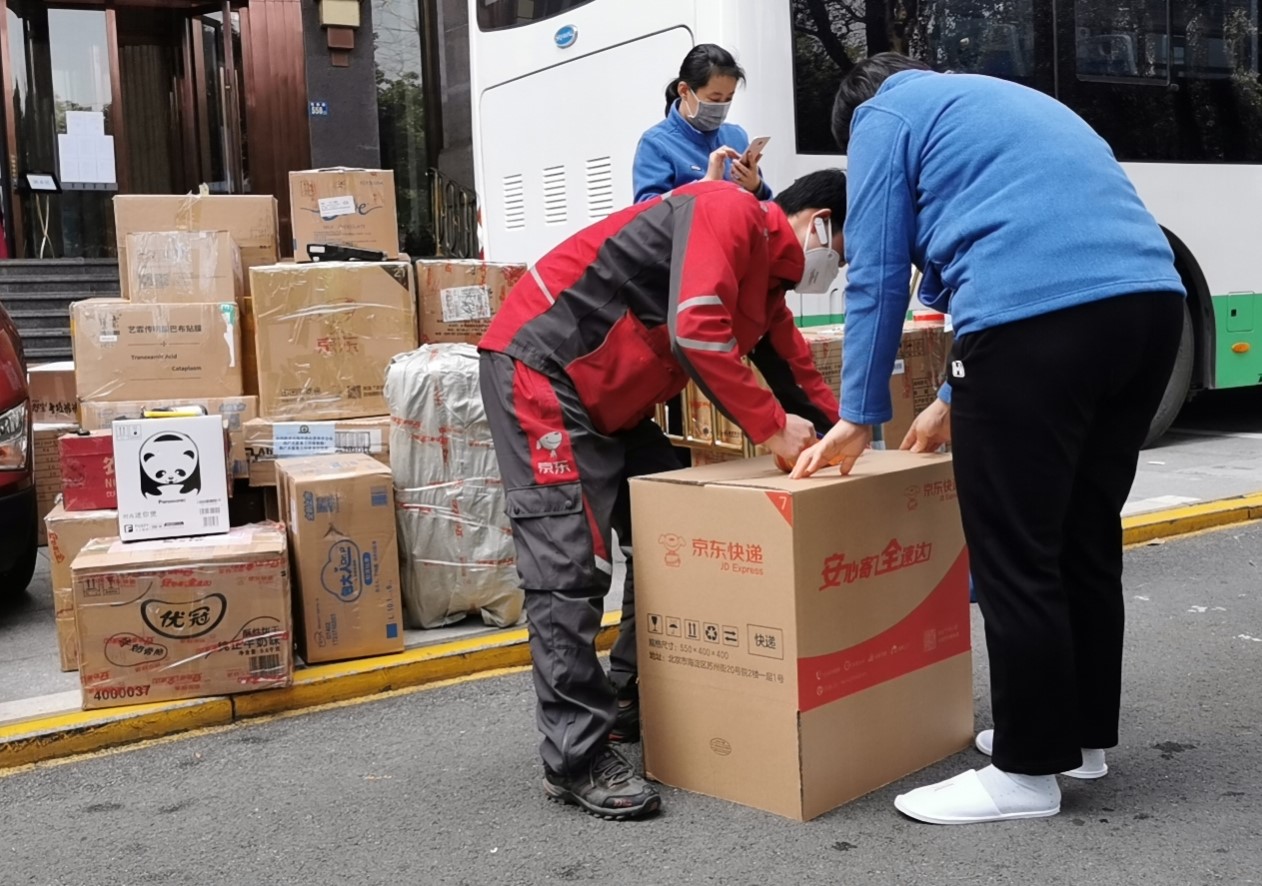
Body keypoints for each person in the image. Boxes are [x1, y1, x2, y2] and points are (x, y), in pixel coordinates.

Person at [792, 54, 1185, 825]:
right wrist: (948, 396)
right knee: (1082, 537)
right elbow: (981, 249)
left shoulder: (882, 116)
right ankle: (1078, 739)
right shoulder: (995, 104)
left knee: (1015, 551)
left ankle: (1026, 775)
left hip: (1037, 321)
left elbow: (878, 271)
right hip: (1149, 310)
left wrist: (858, 415)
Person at [479, 171, 846, 820]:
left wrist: (849, 437)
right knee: (570, 565)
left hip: (613, 397)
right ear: (819, 222)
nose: (839, 268)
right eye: (845, 251)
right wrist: (771, 427)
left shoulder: (765, 288)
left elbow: (795, 373)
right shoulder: (729, 210)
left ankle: (624, 698)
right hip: (545, 370)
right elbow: (696, 328)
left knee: (668, 537)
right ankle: (575, 758)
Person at [632, 44, 771, 203]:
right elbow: (646, 211)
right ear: (684, 91)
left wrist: (756, 187)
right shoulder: (656, 143)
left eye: (728, 99)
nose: (721, 106)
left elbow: (767, 209)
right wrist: (705, 185)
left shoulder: (736, 135)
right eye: (714, 99)